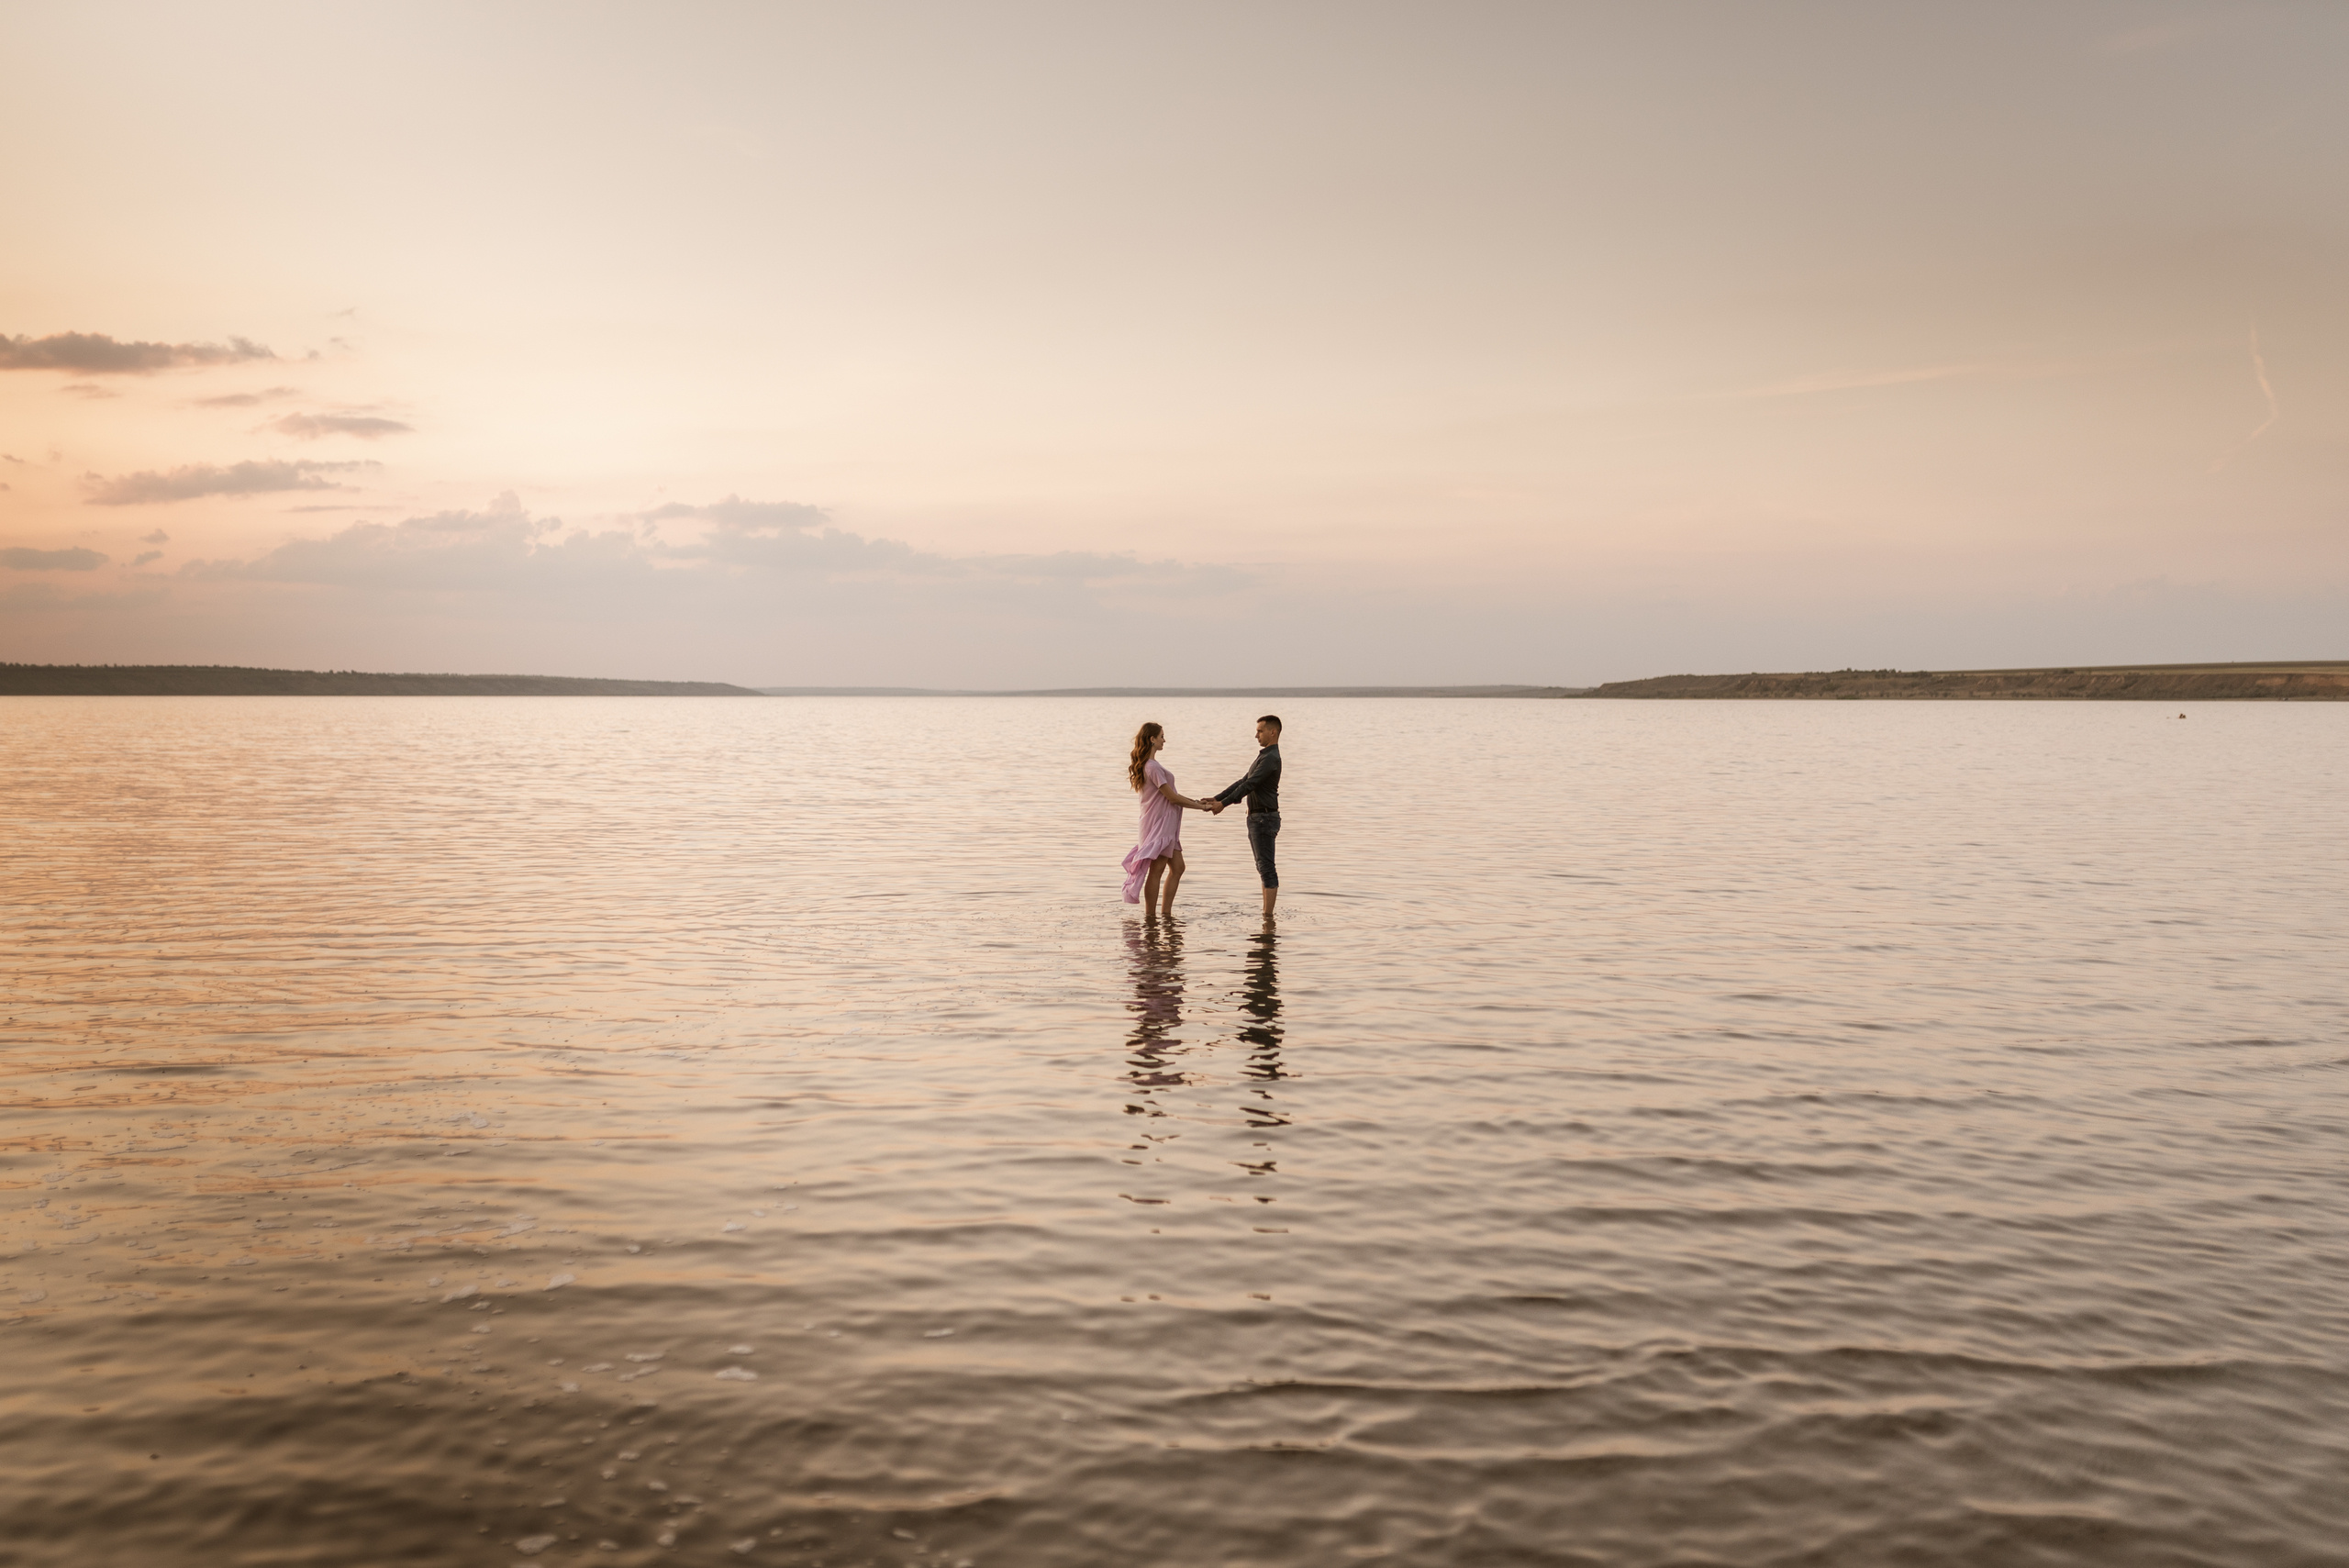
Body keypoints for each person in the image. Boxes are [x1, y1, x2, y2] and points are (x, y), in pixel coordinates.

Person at [1121, 721, 1216, 917]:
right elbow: (1171, 797)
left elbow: (1172, 794)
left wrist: (1196, 801)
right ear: (1152, 739)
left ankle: (1165, 914)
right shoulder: (1152, 767)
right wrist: (1200, 807)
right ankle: (1151, 917)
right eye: (1162, 736)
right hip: (1159, 824)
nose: (1164, 740)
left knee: (1178, 867)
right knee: (1157, 869)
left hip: (1166, 823)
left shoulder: (1150, 766)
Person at [1203, 715, 1283, 917]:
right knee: (1262, 867)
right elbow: (1242, 781)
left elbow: (1250, 785)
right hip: (1258, 818)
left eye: (1260, 731)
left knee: (1266, 868)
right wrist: (1217, 797)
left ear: (1272, 732)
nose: (1256, 735)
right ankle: (1267, 917)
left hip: (1264, 818)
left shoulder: (1271, 758)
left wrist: (1223, 804)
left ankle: (1268, 918)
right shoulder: (1264, 756)